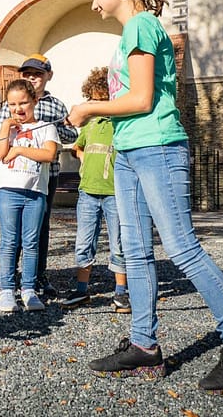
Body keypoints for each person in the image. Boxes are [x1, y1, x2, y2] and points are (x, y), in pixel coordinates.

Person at [67, 0, 223, 395]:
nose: (94, 3)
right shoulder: (131, 32)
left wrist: (89, 108)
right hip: (128, 150)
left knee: (182, 248)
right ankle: (144, 347)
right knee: (136, 252)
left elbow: (142, 99)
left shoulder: (141, 26)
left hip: (157, 146)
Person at [0, 54, 78, 298]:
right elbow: (0, 141)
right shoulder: (9, 107)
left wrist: (51, 128)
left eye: (38, 73)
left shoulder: (56, 105)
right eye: (28, 73)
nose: (33, 77)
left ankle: (37, 278)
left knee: (38, 230)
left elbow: (71, 136)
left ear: (47, 76)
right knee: (11, 235)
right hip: (13, 178)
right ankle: (9, 281)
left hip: (44, 176)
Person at [59, 68, 129, 314]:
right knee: (84, 242)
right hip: (88, 193)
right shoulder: (89, 126)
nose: (96, 104)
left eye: (102, 99)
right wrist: (85, 162)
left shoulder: (120, 125)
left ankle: (121, 292)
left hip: (115, 194)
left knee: (119, 242)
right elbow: (77, 148)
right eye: (93, 99)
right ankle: (81, 289)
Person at [0, 79, 59, 313]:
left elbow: (49, 154)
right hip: (8, 191)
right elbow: (0, 153)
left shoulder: (45, 127)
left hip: (35, 193)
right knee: (9, 242)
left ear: (34, 101)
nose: (18, 109)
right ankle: (7, 290)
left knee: (31, 243)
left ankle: (29, 289)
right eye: (12, 104)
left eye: (23, 103)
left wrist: (20, 149)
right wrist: (5, 128)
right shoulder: (8, 128)